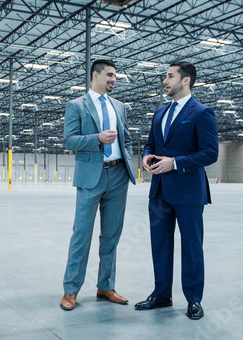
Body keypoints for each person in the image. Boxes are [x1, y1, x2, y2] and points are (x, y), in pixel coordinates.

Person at [135, 61, 218, 319]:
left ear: (186, 80)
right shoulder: (159, 113)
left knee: (192, 247)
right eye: (165, 76)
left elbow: (210, 153)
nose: (165, 81)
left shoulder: (201, 112)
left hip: (189, 191)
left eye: (170, 76)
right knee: (159, 245)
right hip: (159, 191)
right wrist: (147, 156)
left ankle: (193, 299)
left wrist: (176, 163)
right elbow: (150, 144)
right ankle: (162, 294)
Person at [60, 59, 136, 311]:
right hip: (91, 177)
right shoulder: (76, 105)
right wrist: (97, 139)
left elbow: (126, 139)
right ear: (96, 75)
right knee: (81, 234)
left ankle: (105, 286)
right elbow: (69, 141)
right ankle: (70, 290)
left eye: (115, 76)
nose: (114, 79)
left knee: (111, 235)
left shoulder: (119, 106)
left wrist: (129, 165)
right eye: (110, 75)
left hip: (117, 176)